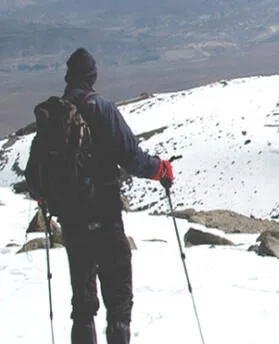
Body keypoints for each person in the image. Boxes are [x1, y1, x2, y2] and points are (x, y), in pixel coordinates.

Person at [25, 48, 175, 344]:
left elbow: (34, 177)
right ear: (92, 76)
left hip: (73, 223)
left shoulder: (54, 116)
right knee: (118, 303)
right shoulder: (102, 108)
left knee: (82, 307)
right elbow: (132, 158)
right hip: (106, 217)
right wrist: (161, 170)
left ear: (69, 76)